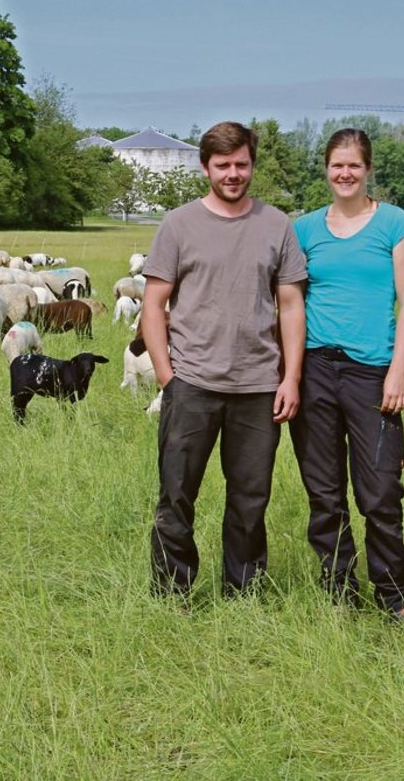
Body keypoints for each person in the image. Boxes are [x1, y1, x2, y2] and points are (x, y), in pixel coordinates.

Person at [141, 121, 306, 598]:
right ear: (205, 167)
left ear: (252, 164)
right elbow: (154, 305)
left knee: (251, 499)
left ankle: (244, 592)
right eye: (223, 165)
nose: (233, 174)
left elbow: (291, 306)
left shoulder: (276, 226)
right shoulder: (178, 225)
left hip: (258, 387)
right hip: (191, 383)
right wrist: (167, 376)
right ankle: (174, 594)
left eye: (241, 164)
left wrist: (290, 378)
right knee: (176, 494)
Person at [289, 128, 404, 625]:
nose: (344, 173)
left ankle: (393, 596)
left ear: (368, 170)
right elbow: (290, 304)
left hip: (372, 373)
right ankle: (338, 592)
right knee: (324, 492)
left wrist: (397, 371)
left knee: (381, 489)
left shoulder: (393, 224)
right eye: (336, 165)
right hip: (315, 371)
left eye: (354, 165)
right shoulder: (303, 230)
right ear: (325, 169)